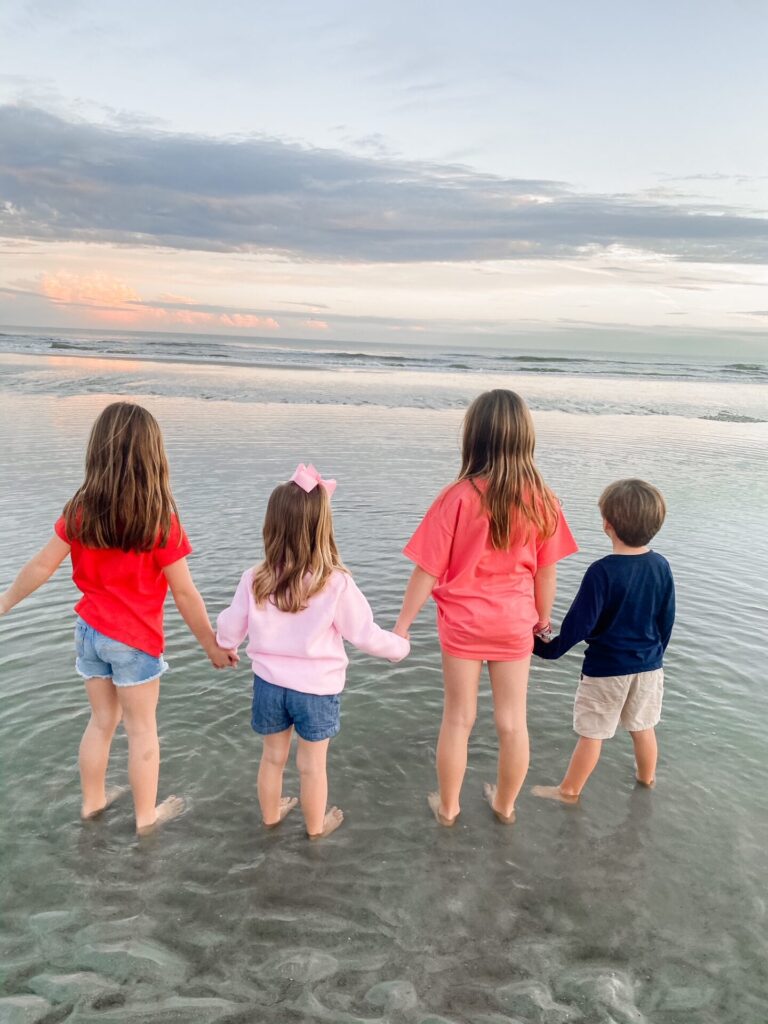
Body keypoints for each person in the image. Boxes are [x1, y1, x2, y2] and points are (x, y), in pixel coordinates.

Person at [0, 402, 236, 834]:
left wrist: (4, 602)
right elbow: (184, 592)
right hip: (135, 642)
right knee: (143, 731)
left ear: (97, 453)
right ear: (155, 457)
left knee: (101, 721)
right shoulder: (160, 520)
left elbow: (41, 565)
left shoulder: (81, 510)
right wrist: (210, 644)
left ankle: (92, 803)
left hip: (89, 633)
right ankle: (146, 817)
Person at [394, 389, 578, 826]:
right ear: (525, 439)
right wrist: (542, 617)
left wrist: (401, 626)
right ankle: (506, 806)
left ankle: (449, 807)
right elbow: (545, 571)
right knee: (513, 722)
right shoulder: (544, 500)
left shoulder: (456, 497)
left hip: (462, 625)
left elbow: (426, 570)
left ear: (473, 438)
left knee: (458, 719)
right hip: (515, 622)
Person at [216, 463, 409, 840]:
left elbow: (229, 626)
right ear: (323, 527)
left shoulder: (255, 578)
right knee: (312, 767)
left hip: (269, 686)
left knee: (272, 758)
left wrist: (225, 646)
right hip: (317, 692)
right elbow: (364, 634)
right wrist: (399, 647)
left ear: (271, 525)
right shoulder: (334, 583)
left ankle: (271, 817)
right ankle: (316, 829)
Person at [531, 478, 675, 803]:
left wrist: (546, 648)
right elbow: (666, 619)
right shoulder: (661, 566)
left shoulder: (602, 572)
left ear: (607, 524)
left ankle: (568, 791)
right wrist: (654, 656)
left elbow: (579, 624)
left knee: (592, 734)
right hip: (650, 667)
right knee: (643, 727)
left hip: (607, 669)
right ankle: (646, 779)